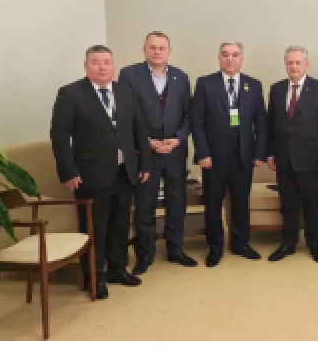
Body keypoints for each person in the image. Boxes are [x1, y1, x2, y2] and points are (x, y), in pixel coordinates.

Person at [50, 45, 152, 300]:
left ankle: (117, 269)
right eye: (96, 62)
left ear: (113, 65)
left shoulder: (125, 91)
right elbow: (59, 135)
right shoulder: (71, 93)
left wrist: (144, 164)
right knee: (95, 227)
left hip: (124, 171)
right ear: (86, 67)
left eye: (107, 62)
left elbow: (139, 129)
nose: (102, 67)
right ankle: (94, 276)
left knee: (120, 223)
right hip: (90, 174)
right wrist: (68, 171)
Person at [118, 31, 197, 274]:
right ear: (144, 49)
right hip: (145, 153)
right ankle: (145, 255)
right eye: (152, 47)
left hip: (175, 151)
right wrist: (147, 141)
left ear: (169, 52)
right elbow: (125, 114)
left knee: (176, 202)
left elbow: (189, 115)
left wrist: (178, 139)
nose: (157, 52)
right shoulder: (129, 75)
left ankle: (176, 250)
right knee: (145, 204)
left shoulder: (181, 77)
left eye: (162, 48)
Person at [190, 42, 267, 268]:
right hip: (212, 158)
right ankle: (215, 246)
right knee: (213, 203)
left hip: (243, 156)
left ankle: (240, 243)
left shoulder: (254, 85)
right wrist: (202, 152)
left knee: (241, 202)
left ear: (241, 58)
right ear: (219, 58)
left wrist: (260, 152)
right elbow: (197, 121)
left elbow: (261, 123)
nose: (230, 59)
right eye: (225, 55)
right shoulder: (205, 83)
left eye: (235, 55)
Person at [266, 45, 318, 263]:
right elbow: (271, 125)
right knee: (288, 204)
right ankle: (288, 243)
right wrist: (270, 153)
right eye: (290, 63)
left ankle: (314, 243)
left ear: (306, 64)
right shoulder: (276, 89)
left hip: (311, 159)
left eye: (298, 63)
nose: (294, 66)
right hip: (283, 159)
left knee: (311, 204)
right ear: (285, 65)